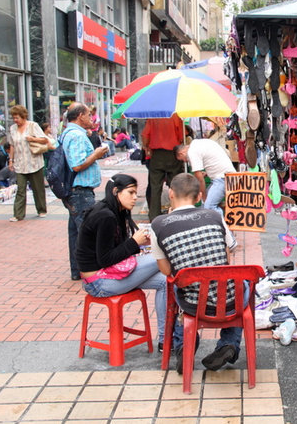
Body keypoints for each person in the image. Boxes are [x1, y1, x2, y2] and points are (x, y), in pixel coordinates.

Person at [77, 173, 181, 353]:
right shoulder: (105, 216)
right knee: (162, 258)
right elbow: (105, 259)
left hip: (109, 274)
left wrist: (139, 243)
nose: (135, 198)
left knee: (165, 281)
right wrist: (134, 242)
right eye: (131, 193)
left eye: (135, 193)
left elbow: (115, 251)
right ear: (116, 191)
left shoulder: (114, 211)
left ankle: (166, 341)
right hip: (99, 281)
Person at [151, 173, 238, 373]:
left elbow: (166, 271)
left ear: (171, 194)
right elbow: (230, 250)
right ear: (199, 196)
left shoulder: (158, 224)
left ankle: (183, 345)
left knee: (176, 286)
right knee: (243, 286)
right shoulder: (215, 216)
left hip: (192, 305)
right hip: (228, 302)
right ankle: (229, 344)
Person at [62, 102, 108, 280]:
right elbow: (77, 165)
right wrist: (96, 154)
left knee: (76, 231)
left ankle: (78, 270)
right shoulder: (76, 136)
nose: (92, 119)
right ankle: (90, 271)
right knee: (87, 231)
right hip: (80, 191)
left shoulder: (70, 134)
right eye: (89, 115)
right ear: (80, 116)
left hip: (76, 190)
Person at [7, 105, 49, 221]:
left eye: (17, 118)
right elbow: (12, 145)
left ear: (23, 116)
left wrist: (33, 139)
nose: (15, 120)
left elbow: (45, 140)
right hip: (20, 163)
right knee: (20, 189)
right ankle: (18, 214)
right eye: (14, 118)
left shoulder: (33, 126)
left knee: (38, 188)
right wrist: (11, 160)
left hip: (34, 162)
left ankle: (41, 209)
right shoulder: (13, 128)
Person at [174, 139, 236, 216]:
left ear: (181, 153)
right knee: (205, 205)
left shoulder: (191, 152)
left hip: (222, 178)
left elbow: (200, 180)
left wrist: (203, 197)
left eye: (182, 160)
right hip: (226, 175)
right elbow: (215, 159)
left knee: (209, 207)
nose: (185, 161)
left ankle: (221, 224)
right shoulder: (197, 143)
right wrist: (208, 172)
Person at [142, 116, 184, 221]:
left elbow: (145, 135)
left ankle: (154, 216)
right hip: (173, 153)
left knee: (155, 186)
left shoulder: (153, 117)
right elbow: (181, 136)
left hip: (156, 154)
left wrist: (146, 147)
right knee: (175, 185)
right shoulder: (176, 116)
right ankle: (177, 211)